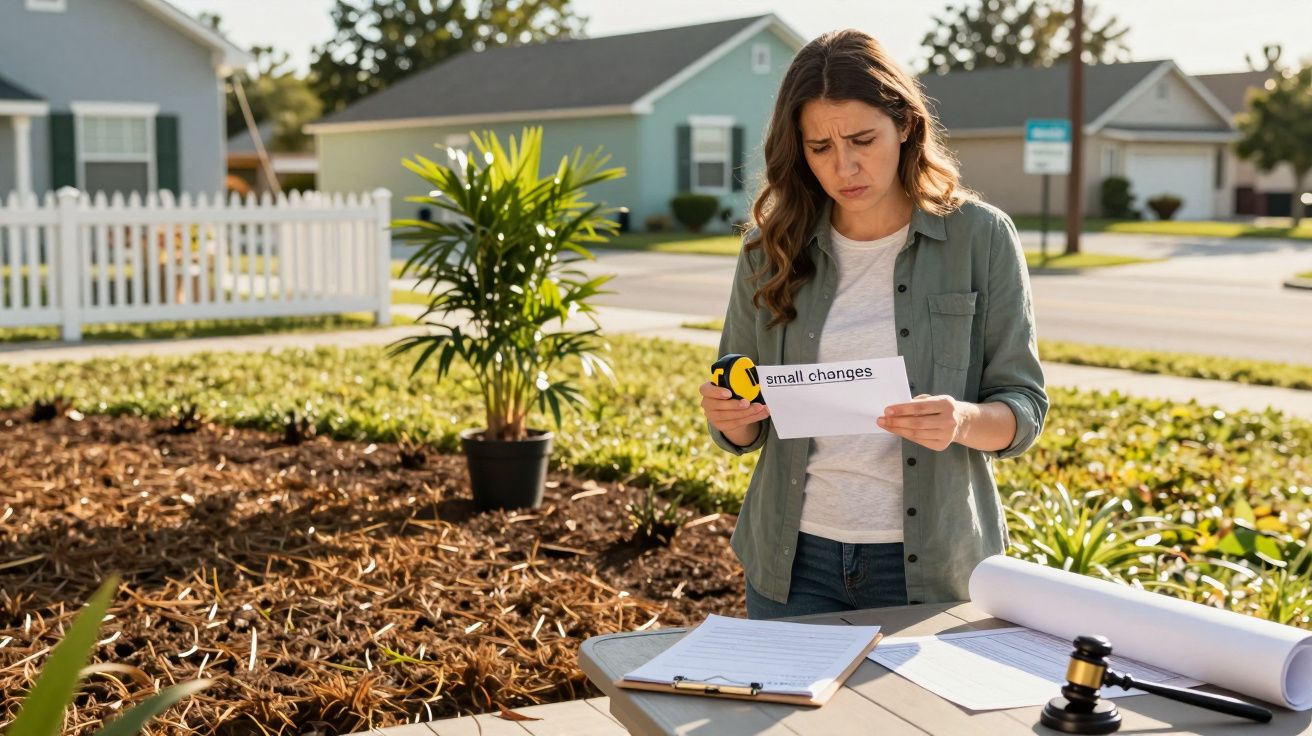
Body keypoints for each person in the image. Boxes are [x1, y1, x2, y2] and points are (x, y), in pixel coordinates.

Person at [699, 28, 1049, 619]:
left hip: (933, 566)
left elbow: (1024, 409)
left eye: (863, 139)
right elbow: (742, 419)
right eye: (819, 147)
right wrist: (729, 418)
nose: (844, 166)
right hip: (792, 561)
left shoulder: (980, 237)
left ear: (906, 124)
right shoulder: (769, 251)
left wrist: (961, 420)